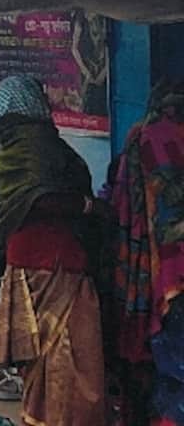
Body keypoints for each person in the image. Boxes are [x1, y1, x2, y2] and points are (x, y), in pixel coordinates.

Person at [0, 73, 106, 426]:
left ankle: (37, 417)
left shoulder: (8, 147)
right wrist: (88, 207)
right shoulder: (40, 144)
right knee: (72, 355)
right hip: (56, 260)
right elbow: (43, 198)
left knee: (39, 356)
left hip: (22, 261)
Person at [109, 76, 184, 426]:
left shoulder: (141, 136)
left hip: (155, 276)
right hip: (171, 271)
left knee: (166, 376)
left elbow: (122, 203)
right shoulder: (162, 137)